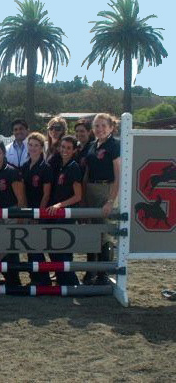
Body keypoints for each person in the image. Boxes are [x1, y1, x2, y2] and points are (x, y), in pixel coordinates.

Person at [83, 113, 121, 285]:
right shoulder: (92, 145)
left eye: (103, 125)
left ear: (111, 127)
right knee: (91, 232)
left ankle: (103, 274)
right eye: (96, 126)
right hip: (90, 189)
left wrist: (111, 200)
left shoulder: (114, 146)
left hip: (106, 189)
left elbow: (118, 175)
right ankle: (90, 271)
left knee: (103, 233)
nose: (100, 129)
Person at [0, 140, 26, 287]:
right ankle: (8, 278)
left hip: (12, 212)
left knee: (10, 249)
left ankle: (14, 280)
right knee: (1, 247)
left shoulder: (11, 171)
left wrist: (20, 217)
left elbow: (21, 199)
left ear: (4, 154)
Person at [46, 136, 81, 286]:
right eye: (63, 147)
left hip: (67, 213)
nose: (65, 150)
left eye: (68, 148)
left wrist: (60, 205)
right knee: (54, 248)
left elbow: (78, 196)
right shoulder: (60, 165)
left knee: (62, 249)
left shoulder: (74, 167)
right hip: (56, 212)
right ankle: (62, 279)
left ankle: (72, 282)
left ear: (74, 150)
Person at [21, 132, 53, 285]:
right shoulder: (25, 166)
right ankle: (35, 277)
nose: (33, 148)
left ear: (42, 148)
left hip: (39, 212)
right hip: (27, 210)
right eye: (31, 145)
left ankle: (43, 279)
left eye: (36, 145)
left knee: (36, 247)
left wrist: (38, 214)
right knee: (29, 246)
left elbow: (46, 194)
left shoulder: (45, 167)